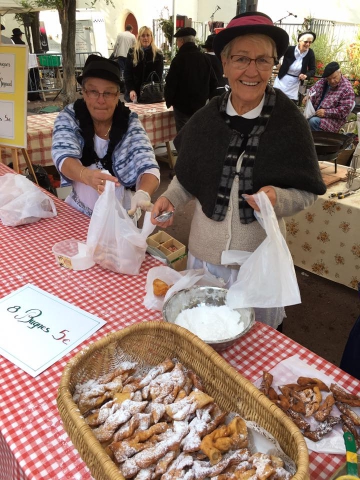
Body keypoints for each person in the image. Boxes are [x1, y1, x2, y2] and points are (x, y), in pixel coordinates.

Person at [151, 12, 326, 330]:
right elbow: (188, 176)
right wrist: (171, 198)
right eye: (242, 59)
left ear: (274, 64)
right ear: (225, 63)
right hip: (206, 258)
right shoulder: (206, 118)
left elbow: (306, 191)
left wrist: (277, 197)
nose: (252, 70)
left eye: (262, 60)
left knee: (254, 354)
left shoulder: (290, 122)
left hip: (258, 263)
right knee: (205, 334)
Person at [52, 54, 160, 218]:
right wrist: (85, 175)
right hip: (79, 212)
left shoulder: (129, 123)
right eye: (94, 91)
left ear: (117, 95)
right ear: (85, 93)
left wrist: (143, 193)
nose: (100, 100)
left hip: (120, 214)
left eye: (108, 93)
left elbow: (148, 163)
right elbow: (62, 154)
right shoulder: (69, 117)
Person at [164, 27, 218, 132]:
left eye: (177, 42)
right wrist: (205, 97)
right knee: (197, 135)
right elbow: (213, 82)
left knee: (183, 137)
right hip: (200, 105)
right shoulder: (205, 58)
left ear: (181, 41)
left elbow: (171, 83)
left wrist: (169, 101)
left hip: (182, 107)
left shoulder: (178, 60)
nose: (177, 44)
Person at [304, 61, 355, 132]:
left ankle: (315, 142)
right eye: (329, 79)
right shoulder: (324, 81)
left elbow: (344, 111)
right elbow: (314, 89)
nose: (332, 81)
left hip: (333, 120)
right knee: (301, 120)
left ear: (340, 72)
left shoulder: (347, 88)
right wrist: (308, 96)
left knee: (313, 122)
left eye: (334, 77)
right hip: (316, 113)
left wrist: (326, 112)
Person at [124, 26, 163, 103]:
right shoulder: (132, 52)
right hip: (135, 93)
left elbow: (159, 75)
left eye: (148, 35)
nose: (145, 38)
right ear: (139, 38)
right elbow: (127, 73)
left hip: (151, 93)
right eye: (143, 36)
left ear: (151, 37)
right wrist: (131, 89)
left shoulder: (158, 53)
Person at [274, 31, 316, 103]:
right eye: (306, 42)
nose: (308, 44)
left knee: (290, 104)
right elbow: (275, 54)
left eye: (310, 42)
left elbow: (313, 69)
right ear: (299, 41)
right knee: (276, 101)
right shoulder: (289, 49)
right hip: (282, 79)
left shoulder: (310, 53)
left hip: (295, 83)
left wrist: (306, 75)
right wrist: (278, 64)